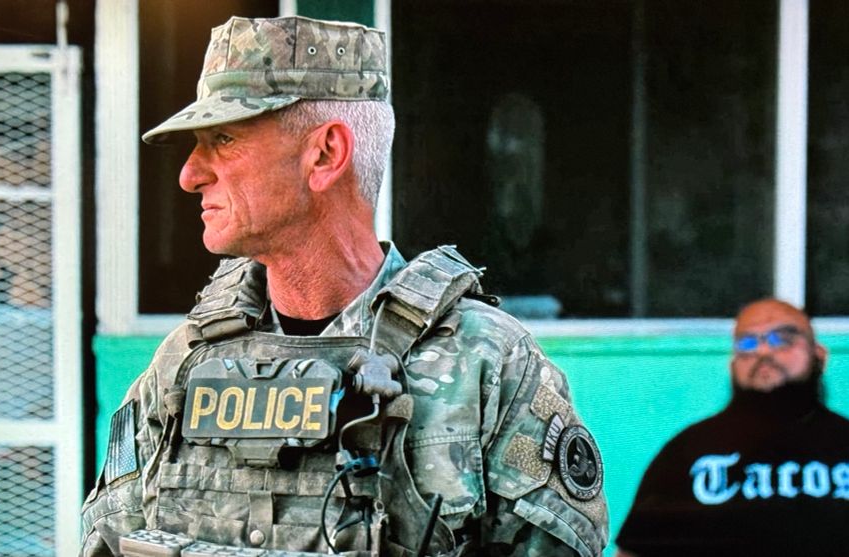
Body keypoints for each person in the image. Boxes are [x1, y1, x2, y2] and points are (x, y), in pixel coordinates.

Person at [80, 15, 607, 557]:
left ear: (327, 153)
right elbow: (106, 540)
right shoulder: (183, 364)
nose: (190, 174)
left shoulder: (488, 366)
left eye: (224, 139)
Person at [615, 298, 849, 556]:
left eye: (783, 338)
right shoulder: (685, 451)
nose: (763, 351)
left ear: (819, 355)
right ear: (732, 364)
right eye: (748, 342)